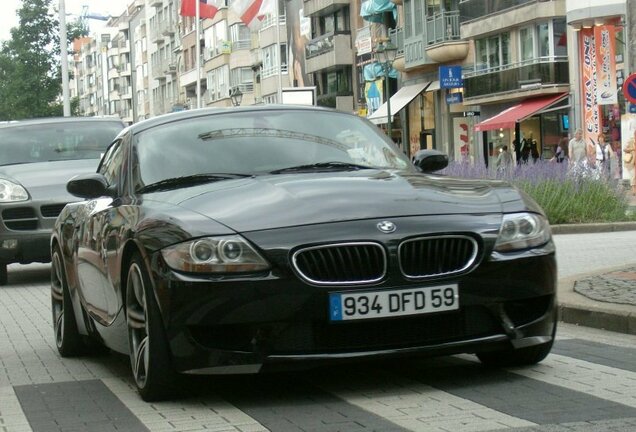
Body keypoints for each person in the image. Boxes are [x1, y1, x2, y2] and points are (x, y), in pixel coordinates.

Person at [624, 130, 636, 195]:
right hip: (632, 161)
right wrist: (632, 149)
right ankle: (634, 190)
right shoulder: (631, 140)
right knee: (633, 175)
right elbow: (625, 149)